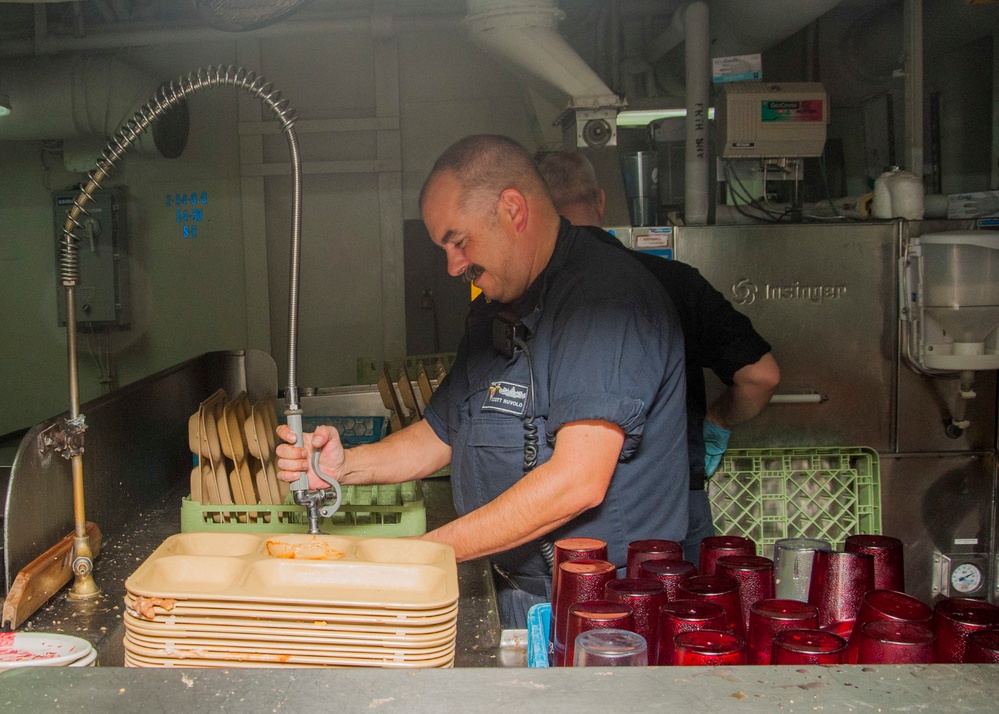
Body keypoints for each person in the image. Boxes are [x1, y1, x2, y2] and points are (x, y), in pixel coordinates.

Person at [277, 135, 690, 629]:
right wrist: (343, 465)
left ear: (513, 209)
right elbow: (442, 432)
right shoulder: (496, 311)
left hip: (606, 616)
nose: (454, 266)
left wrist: (417, 556)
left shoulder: (605, 300)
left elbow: (577, 482)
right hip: (517, 593)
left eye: (459, 240)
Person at [536, 150, 780, 564]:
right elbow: (762, 375)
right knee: (674, 619)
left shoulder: (535, 291)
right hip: (676, 502)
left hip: (560, 508)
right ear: (600, 200)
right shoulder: (675, 281)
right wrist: (715, 424)